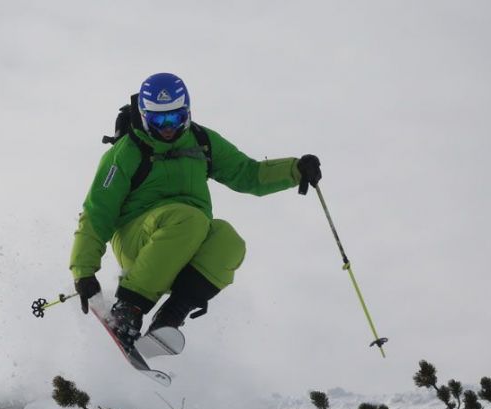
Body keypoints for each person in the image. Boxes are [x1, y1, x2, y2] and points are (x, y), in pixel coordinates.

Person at [69, 72, 322, 349]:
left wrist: (295, 170)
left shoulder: (201, 141)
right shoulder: (126, 152)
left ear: (187, 113)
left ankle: (170, 318)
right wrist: (84, 270)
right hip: (139, 242)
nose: (167, 128)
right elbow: (98, 210)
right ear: (143, 116)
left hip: (185, 240)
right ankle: (128, 310)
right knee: (189, 218)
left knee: (228, 239)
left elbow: (247, 174)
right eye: (158, 120)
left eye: (175, 118)